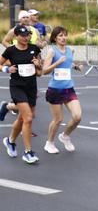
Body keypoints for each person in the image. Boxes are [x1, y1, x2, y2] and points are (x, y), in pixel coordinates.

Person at [1, 25, 42, 164]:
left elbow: (40, 71)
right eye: (23, 35)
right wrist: (6, 69)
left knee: (22, 119)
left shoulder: (34, 49)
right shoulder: (10, 50)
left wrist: (38, 64)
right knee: (29, 118)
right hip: (17, 87)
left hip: (31, 87)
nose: (26, 38)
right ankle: (28, 152)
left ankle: (10, 141)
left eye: (28, 35)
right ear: (16, 36)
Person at [41, 26, 82, 154]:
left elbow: (68, 63)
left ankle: (65, 136)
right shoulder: (52, 52)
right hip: (55, 90)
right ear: (55, 38)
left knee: (77, 117)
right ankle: (49, 143)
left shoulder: (70, 50)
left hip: (69, 89)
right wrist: (57, 62)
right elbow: (44, 71)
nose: (63, 38)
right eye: (60, 36)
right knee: (58, 119)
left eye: (65, 35)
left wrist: (76, 66)